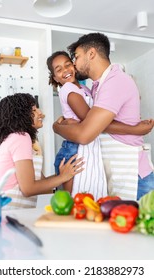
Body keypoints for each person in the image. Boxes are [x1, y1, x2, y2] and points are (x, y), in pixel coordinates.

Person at [53, 32, 154, 201]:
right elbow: (95, 123)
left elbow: (85, 134)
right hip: (117, 170)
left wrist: (56, 127)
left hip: (133, 174)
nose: (75, 64)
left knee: (140, 226)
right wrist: (133, 129)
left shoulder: (115, 81)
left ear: (91, 54)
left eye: (76, 57)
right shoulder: (97, 86)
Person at [0, 93, 84, 209]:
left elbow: (42, 183)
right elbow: (28, 189)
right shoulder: (21, 138)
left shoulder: (16, 138)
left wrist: (61, 175)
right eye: (34, 110)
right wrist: (62, 177)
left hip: (3, 209)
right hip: (7, 209)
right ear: (20, 115)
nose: (40, 113)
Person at [47, 51, 107, 199]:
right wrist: (133, 129)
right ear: (55, 78)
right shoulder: (67, 89)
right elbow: (91, 120)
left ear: (73, 65)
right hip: (74, 150)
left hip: (82, 146)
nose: (66, 70)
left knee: (79, 198)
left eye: (68, 64)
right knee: (71, 199)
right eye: (59, 69)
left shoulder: (83, 89)